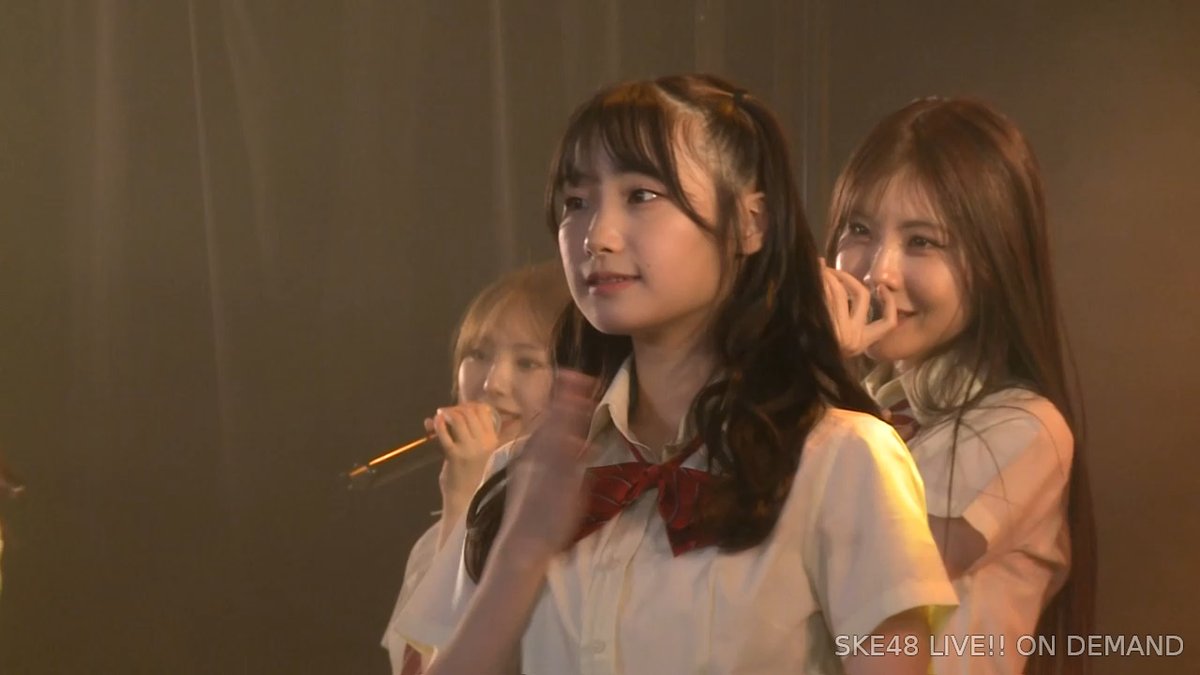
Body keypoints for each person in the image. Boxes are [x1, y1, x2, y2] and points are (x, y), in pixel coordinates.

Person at [391, 74, 957, 675]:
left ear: (750, 222)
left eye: (642, 195)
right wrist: (517, 560)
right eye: (576, 202)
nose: (597, 236)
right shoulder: (525, 471)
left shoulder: (842, 460)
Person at [820, 97, 1096, 675]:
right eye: (860, 230)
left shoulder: (1025, 426)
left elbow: (882, 572)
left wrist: (809, 369)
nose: (877, 271)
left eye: (922, 241)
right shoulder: (861, 409)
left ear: (994, 262)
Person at [380, 261, 569, 674]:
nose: (491, 384)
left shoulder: (576, 531)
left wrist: (466, 497)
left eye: (527, 363)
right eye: (479, 355)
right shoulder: (432, 543)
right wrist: (462, 500)